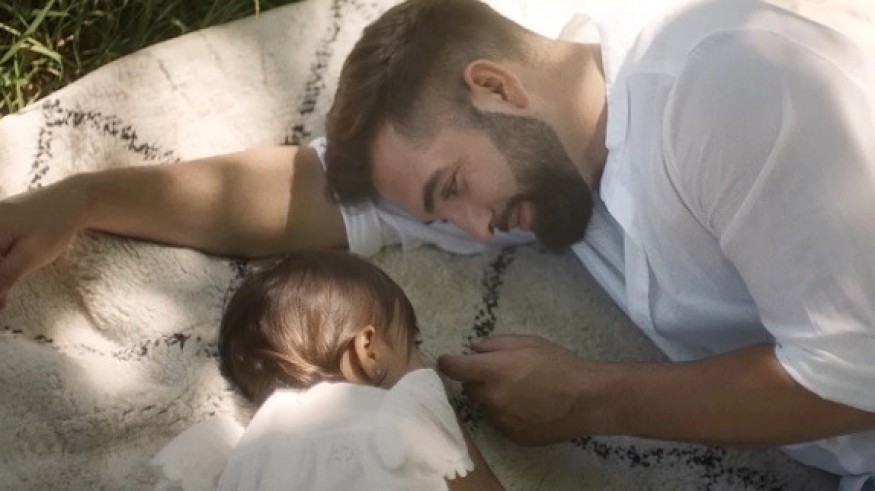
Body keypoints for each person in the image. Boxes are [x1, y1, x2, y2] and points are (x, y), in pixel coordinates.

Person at [0, 0, 873, 487]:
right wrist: (83, 198)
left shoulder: (733, 91)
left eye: (450, 190)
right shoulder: (530, 149)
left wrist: (590, 399)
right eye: (440, 210)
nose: (473, 230)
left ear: (495, 86)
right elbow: (305, 193)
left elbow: (855, 373)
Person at [155, 250, 502, 490]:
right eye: (414, 343)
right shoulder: (407, 407)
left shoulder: (245, 453)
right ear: (369, 352)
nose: (420, 358)